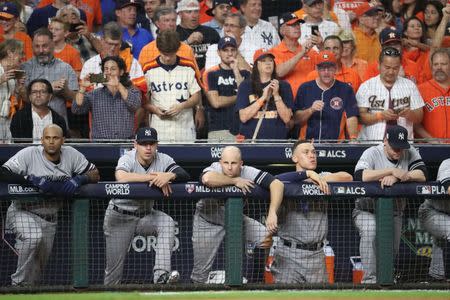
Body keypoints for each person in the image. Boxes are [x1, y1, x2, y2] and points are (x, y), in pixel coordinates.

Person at [2, 124, 99, 285]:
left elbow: (95, 173)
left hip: (50, 217)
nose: (51, 142)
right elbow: (3, 171)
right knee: (33, 237)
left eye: (55, 138)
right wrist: (29, 179)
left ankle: (26, 290)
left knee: (36, 271)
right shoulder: (29, 153)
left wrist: (80, 179)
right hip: (23, 210)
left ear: (63, 140)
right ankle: (16, 285)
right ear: (42, 140)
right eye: (47, 138)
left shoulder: (71, 154)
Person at [103, 127, 190, 285]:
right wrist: (152, 178)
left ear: (157, 145)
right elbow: (121, 177)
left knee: (166, 222)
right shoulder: (128, 157)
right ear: (135, 144)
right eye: (144, 144)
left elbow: (184, 174)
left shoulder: (162, 159)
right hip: (120, 216)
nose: (148, 148)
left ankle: (161, 277)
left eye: (151, 143)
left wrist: (169, 175)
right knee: (113, 274)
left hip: (145, 216)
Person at [190, 145, 284, 283]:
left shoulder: (247, 171)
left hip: (234, 219)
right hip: (207, 220)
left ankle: (256, 281)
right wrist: (235, 181)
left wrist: (272, 213)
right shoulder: (215, 168)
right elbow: (207, 179)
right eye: (225, 163)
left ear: (241, 164)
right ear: (220, 162)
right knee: (200, 276)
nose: (229, 167)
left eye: (233, 163)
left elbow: (277, 184)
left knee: (264, 237)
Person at [353, 124, 427, 284]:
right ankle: (370, 282)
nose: (398, 152)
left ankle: (384, 282)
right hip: (367, 210)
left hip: (394, 211)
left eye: (401, 148)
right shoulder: (372, 152)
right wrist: (390, 171)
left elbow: (422, 174)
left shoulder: (409, 151)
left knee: (390, 249)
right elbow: (360, 175)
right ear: (385, 140)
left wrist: (399, 177)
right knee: (371, 231)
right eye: (394, 147)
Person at [271, 140, 353, 283]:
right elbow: (274, 180)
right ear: (294, 158)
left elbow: (348, 177)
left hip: (316, 256)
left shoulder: (321, 177)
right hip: (289, 254)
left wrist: (318, 178)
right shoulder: (283, 182)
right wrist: (306, 175)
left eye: (314, 152)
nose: (312, 155)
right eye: (306, 152)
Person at [356, 46, 424, 142]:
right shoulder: (366, 86)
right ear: (379, 65)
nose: (391, 72)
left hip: (403, 145)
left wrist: (409, 114)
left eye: (395, 68)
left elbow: (419, 117)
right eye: (387, 67)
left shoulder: (410, 85)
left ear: (400, 66)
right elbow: (359, 117)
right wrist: (380, 116)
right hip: (372, 144)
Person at [143, 30, 201, 142]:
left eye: (171, 54)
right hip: (159, 131)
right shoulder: (148, 69)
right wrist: (154, 109)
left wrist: (182, 106)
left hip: (184, 130)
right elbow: (142, 100)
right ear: (159, 50)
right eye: (165, 54)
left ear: (177, 50)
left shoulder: (188, 66)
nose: (168, 58)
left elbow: (196, 96)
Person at [294, 50, 359, 141]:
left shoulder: (345, 89)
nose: (326, 72)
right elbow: (295, 119)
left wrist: (353, 138)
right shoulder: (305, 88)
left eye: (330, 68)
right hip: (308, 144)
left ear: (335, 68)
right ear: (316, 69)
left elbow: (351, 116)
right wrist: (310, 110)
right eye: (322, 68)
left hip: (336, 145)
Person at [73, 56, 141, 140]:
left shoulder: (133, 91)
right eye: (106, 69)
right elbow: (77, 108)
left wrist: (118, 85)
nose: (109, 72)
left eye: (113, 69)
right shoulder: (94, 94)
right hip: (101, 145)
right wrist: (82, 88)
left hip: (126, 143)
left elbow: (135, 105)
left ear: (121, 72)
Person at [22, 27, 78, 130]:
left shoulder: (65, 68)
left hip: (58, 127)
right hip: (31, 126)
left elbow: (77, 100)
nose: (41, 50)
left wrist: (65, 91)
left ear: (53, 45)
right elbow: (24, 98)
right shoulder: (25, 68)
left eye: (45, 46)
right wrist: (49, 88)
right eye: (37, 46)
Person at [235, 49, 293, 141]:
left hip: (277, 141)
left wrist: (276, 95)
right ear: (256, 64)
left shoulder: (284, 86)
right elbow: (243, 117)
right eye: (263, 61)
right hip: (251, 141)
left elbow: (287, 118)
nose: (268, 63)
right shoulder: (246, 86)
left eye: (270, 60)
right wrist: (263, 98)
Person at [269, 12, 318, 98]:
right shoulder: (273, 52)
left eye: (298, 24)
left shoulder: (311, 51)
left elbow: (327, 69)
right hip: (286, 103)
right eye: (292, 25)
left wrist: (321, 46)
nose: (297, 27)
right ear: (282, 30)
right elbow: (279, 72)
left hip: (310, 102)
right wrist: (301, 54)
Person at [418, 158, 450, 281]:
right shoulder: (447, 163)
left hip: (446, 212)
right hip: (431, 211)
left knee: (440, 243)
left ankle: (435, 277)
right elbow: (448, 187)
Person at [415, 48, 450, 141]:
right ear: (431, 67)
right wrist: (431, 140)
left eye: (443, 64)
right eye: (436, 64)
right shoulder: (420, 90)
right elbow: (414, 122)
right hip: (430, 147)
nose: (439, 67)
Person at [176, 0, 220, 71]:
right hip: (182, 73)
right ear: (180, 14)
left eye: (196, 11)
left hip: (208, 73)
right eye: (189, 12)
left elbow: (221, 54)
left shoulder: (211, 32)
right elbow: (168, 56)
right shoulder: (173, 33)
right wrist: (187, 42)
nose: (193, 15)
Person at [0, 39, 24, 141]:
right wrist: (1, 79)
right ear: (10, 53)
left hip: (8, 121)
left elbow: (16, 102)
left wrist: (19, 88)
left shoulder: (13, 75)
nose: (22, 57)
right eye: (20, 53)